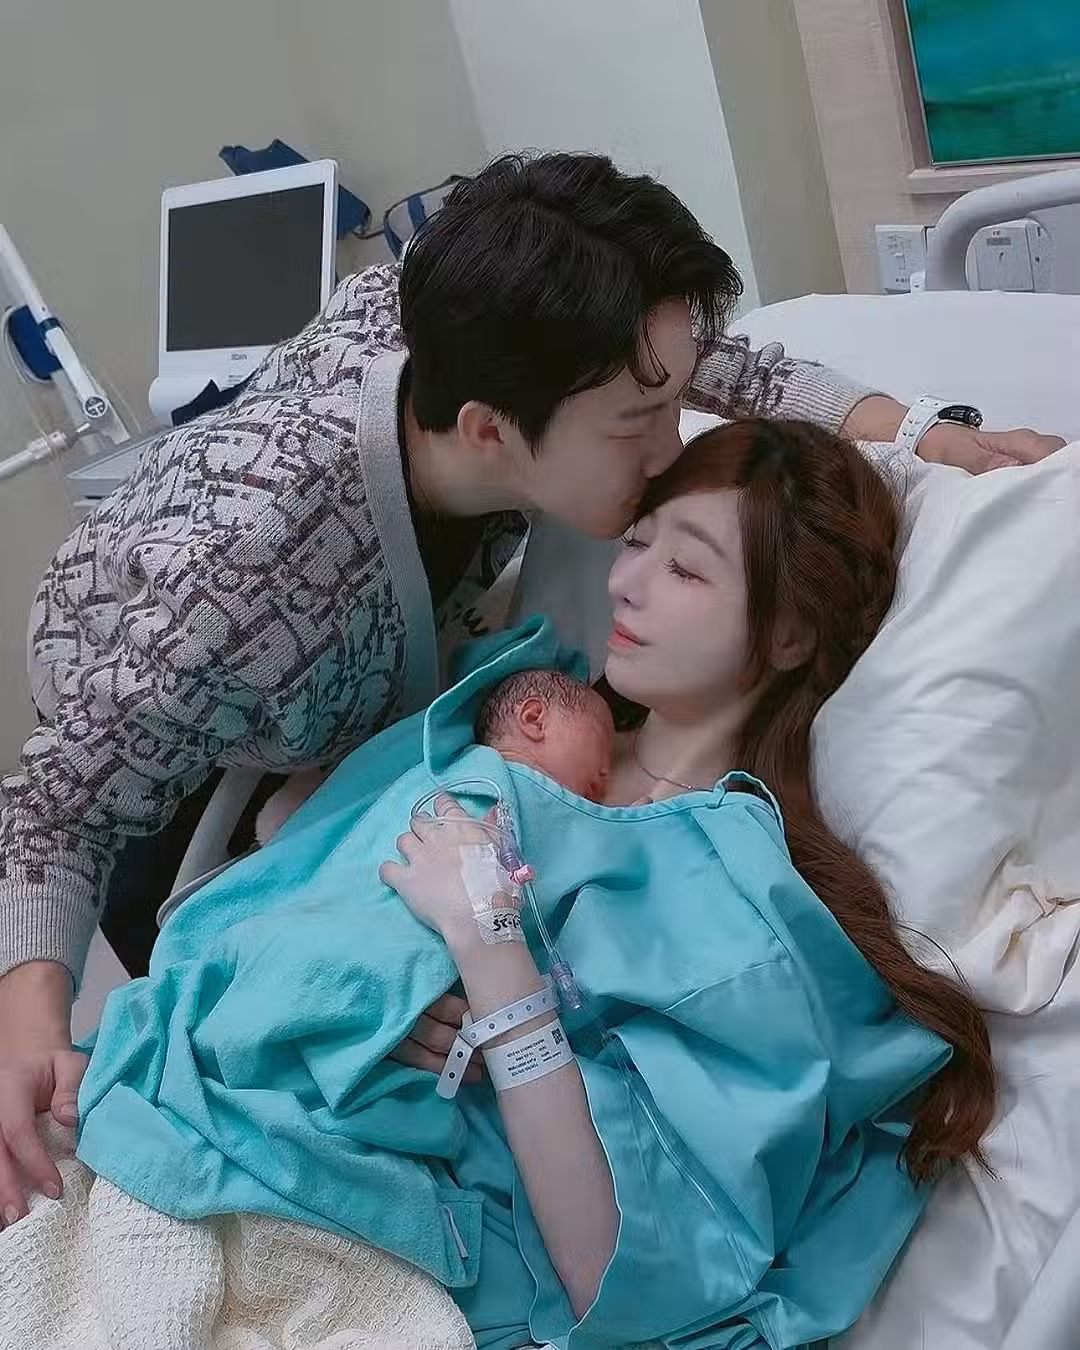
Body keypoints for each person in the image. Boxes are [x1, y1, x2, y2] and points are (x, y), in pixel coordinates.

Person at [0, 152, 1043, 1228]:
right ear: (492, 429)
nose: (668, 448)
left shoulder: (476, 308)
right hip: (163, 745)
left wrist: (927, 432)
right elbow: (57, 812)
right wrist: (32, 1025)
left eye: (669, 407)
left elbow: (712, 363)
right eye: (636, 427)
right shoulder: (247, 584)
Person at [60, 418, 994, 1349]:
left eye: (684, 568)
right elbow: (295, 897)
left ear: (789, 634)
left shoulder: (737, 895)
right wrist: (362, 999)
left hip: (374, 1243)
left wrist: (497, 970)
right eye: (637, 544)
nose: (625, 582)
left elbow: (614, 1270)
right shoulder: (510, 718)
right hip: (196, 1103)